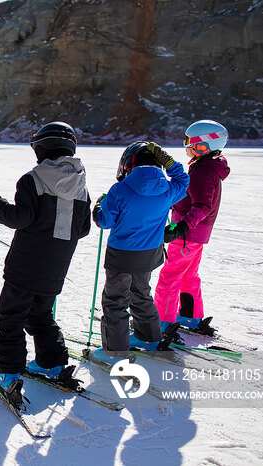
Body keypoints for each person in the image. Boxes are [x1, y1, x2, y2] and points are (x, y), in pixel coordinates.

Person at [0, 122, 91, 405]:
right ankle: (52, 363)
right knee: (39, 315)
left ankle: (7, 372)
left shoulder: (34, 178)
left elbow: (18, 218)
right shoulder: (80, 184)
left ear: (40, 148)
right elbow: (84, 228)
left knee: (11, 318)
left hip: (25, 267)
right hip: (55, 269)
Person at [91, 141, 189, 362]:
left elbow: (105, 221)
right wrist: (170, 162)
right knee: (141, 293)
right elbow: (184, 180)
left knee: (115, 301)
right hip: (149, 255)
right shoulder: (168, 188)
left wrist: (98, 207)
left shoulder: (120, 189)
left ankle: (114, 353)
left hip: (122, 256)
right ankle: (149, 337)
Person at [154, 120, 230, 336]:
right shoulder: (208, 167)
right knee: (188, 275)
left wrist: (181, 227)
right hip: (197, 235)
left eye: (189, 142)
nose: (186, 147)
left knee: (170, 275)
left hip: (188, 234)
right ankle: (190, 314)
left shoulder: (202, 171)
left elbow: (202, 205)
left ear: (204, 145)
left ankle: (162, 321)